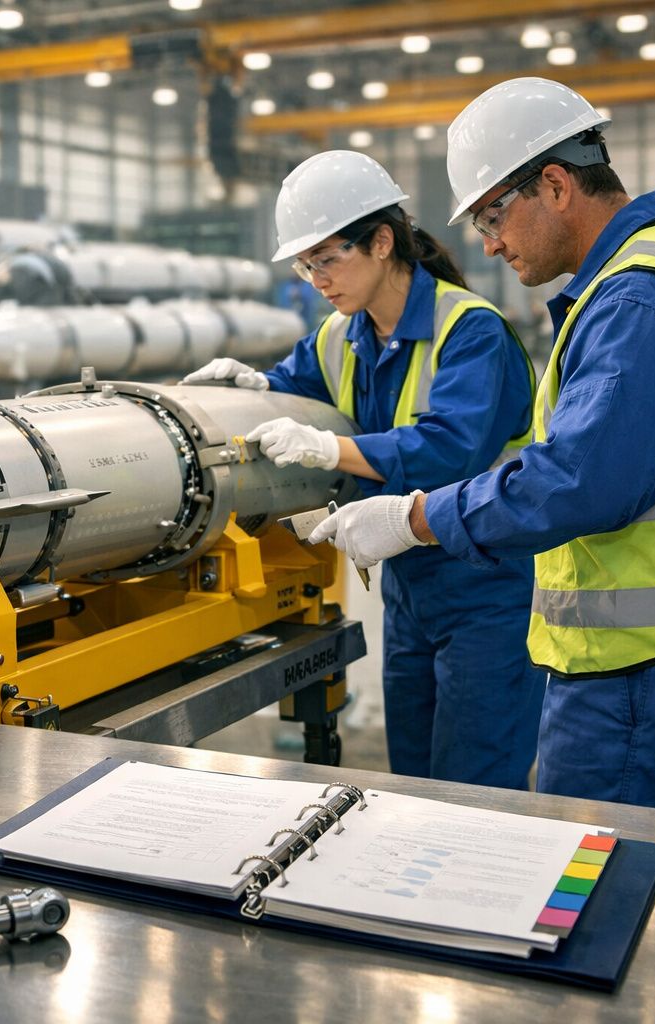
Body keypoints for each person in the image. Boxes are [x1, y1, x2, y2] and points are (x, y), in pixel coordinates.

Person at [308, 78, 655, 823]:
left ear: (557, 186)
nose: (488, 242)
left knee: (608, 908)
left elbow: (576, 479)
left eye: (492, 214)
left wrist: (414, 518)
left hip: (646, 674)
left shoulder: (639, 303)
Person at [184, 151, 543, 790]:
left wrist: (329, 451)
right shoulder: (338, 335)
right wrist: (253, 385)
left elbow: (451, 447)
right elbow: (296, 385)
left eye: (328, 258)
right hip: (409, 588)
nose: (316, 278)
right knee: (413, 779)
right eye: (305, 264)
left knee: (476, 786)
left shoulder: (470, 331)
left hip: (487, 588)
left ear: (381, 242)